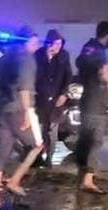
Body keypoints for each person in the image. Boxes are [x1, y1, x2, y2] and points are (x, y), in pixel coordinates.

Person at [0, 26, 44, 210]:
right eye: (35, 42)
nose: (37, 46)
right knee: (37, 145)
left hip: (1, 110)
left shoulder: (4, 58)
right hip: (19, 109)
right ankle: (14, 180)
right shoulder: (26, 58)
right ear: (27, 41)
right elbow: (24, 88)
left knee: (0, 153)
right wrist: (27, 112)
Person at [75, 21, 108, 194]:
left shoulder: (88, 48)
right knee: (95, 141)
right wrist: (103, 72)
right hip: (96, 104)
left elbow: (80, 61)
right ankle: (88, 180)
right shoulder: (98, 51)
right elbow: (101, 72)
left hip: (87, 102)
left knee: (85, 140)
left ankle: (82, 175)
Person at [34, 29, 73, 168]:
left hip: (56, 100)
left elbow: (68, 76)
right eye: (55, 44)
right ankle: (36, 158)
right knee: (38, 130)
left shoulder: (63, 57)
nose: (57, 47)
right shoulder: (39, 55)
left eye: (59, 44)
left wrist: (64, 93)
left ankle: (48, 159)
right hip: (40, 99)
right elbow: (35, 75)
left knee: (52, 130)